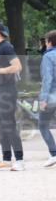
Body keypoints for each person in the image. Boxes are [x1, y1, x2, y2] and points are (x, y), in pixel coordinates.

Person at [0, 21, 24, 171]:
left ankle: (19, 160)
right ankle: (6, 159)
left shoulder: (6, 47)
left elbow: (17, 66)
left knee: (9, 124)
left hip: (7, 90)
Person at [39, 30, 56, 168]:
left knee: (43, 125)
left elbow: (47, 79)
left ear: (50, 42)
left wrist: (43, 99)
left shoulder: (48, 56)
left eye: (45, 41)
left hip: (52, 97)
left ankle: (54, 154)